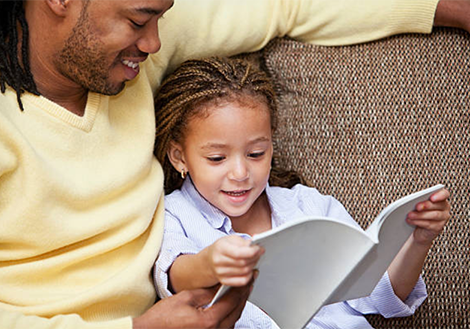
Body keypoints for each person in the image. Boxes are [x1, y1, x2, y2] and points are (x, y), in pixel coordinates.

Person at [0, 0, 464, 328]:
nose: (155, 42)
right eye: (139, 20)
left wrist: (446, 7)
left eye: (161, 17)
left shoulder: (128, 61)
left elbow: (285, 5)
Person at [153, 56, 452, 329]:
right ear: (179, 157)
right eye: (217, 159)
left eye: (256, 153)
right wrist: (211, 263)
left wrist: (417, 242)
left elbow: (381, 297)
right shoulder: (174, 214)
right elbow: (175, 275)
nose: (241, 174)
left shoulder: (310, 206)